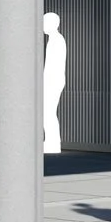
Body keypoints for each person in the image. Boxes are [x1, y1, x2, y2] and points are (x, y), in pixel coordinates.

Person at [42, 11, 68, 155]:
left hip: (53, 80)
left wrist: (45, 81)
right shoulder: (55, 39)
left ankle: (52, 143)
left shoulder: (56, 40)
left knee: (48, 112)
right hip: (53, 80)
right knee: (48, 112)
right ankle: (51, 141)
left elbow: (52, 65)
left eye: (44, 22)